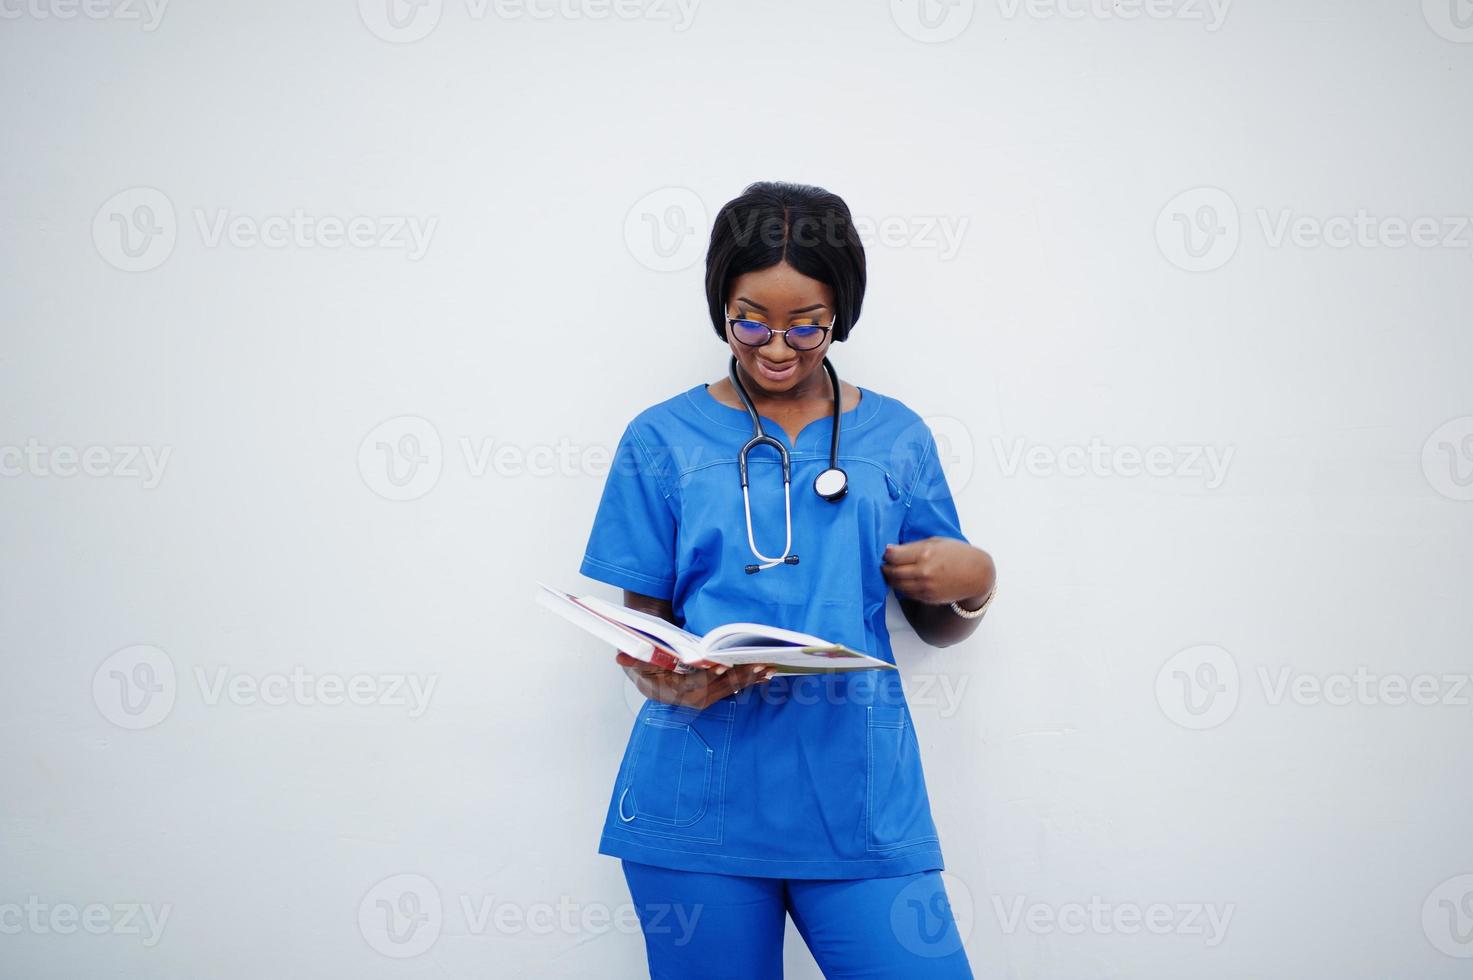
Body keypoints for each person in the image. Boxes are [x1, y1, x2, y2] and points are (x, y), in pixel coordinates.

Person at [579, 180, 996, 979]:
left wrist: (973, 582)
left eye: (807, 325)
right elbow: (647, 632)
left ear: (842, 311)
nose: (776, 347)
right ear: (718, 305)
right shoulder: (660, 438)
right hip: (697, 804)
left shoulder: (895, 437)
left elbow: (937, 619)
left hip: (859, 801)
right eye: (750, 321)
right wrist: (670, 682)